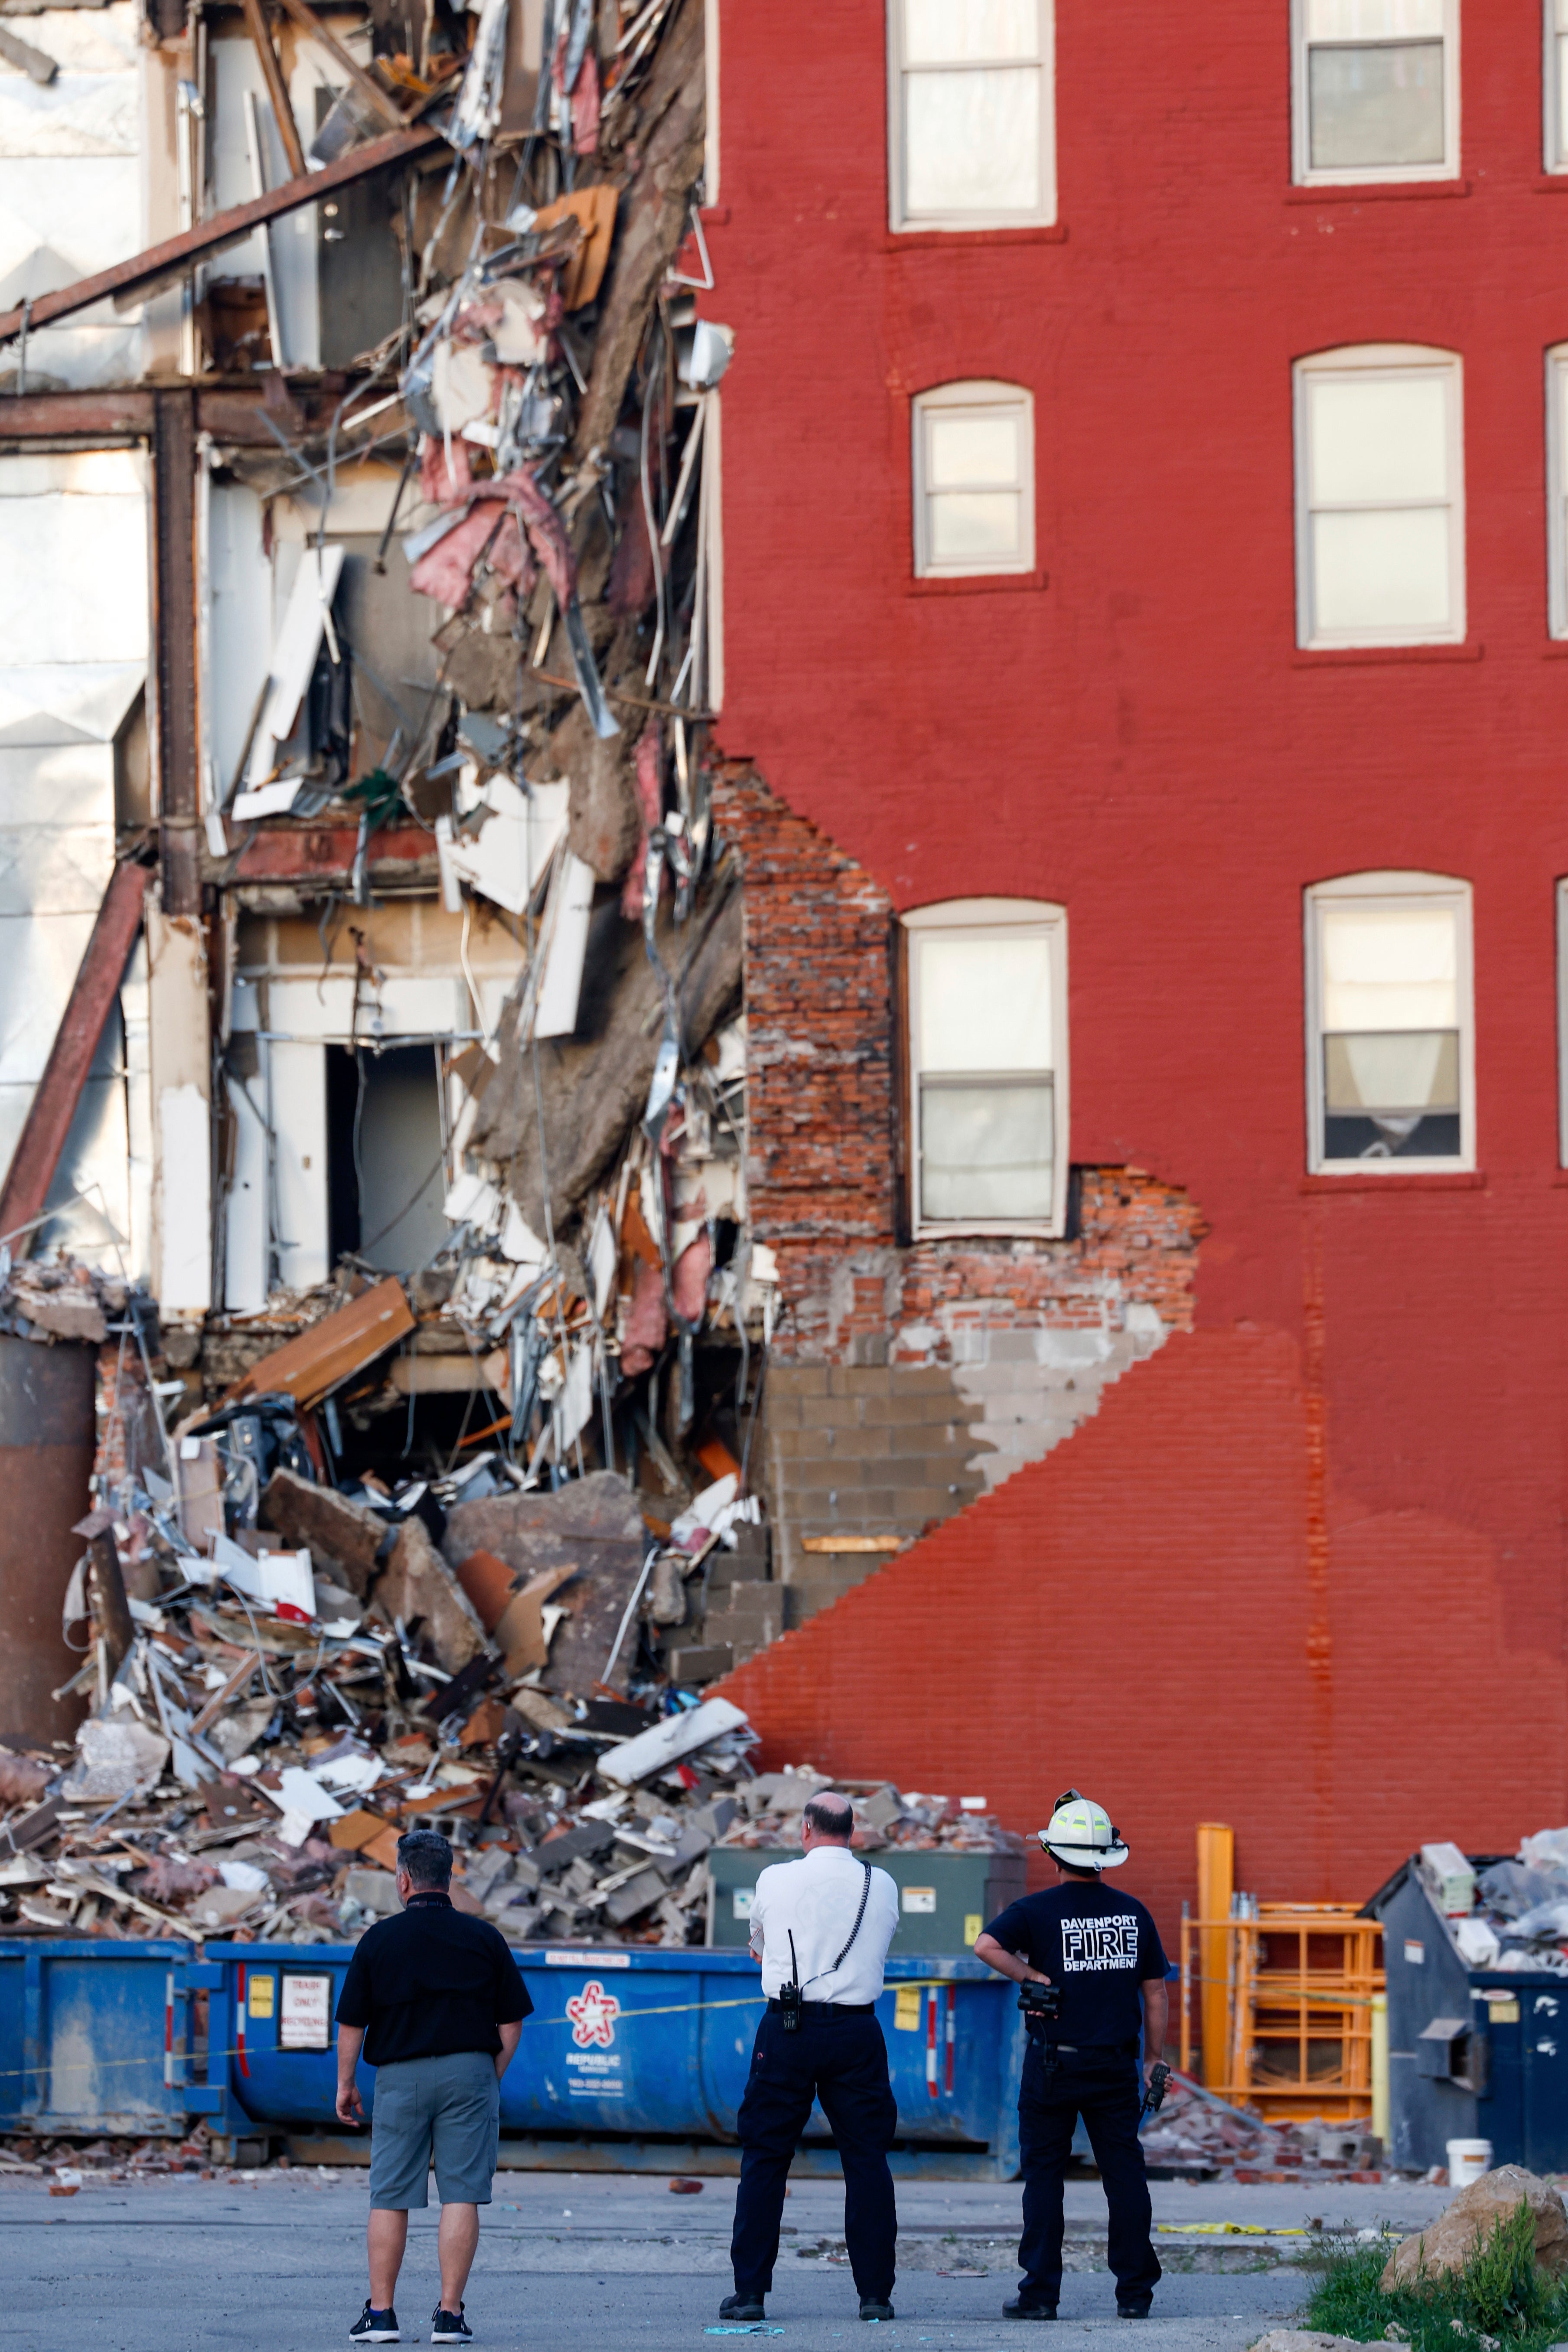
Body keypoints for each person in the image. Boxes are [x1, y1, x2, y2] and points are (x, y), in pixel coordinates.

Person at [974, 1789, 1168, 2323]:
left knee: (1043, 2179)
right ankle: (1134, 2293)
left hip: (1052, 2065)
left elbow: (984, 1946)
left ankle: (1039, 2294)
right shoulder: (1133, 1913)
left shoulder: (1034, 1911)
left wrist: (1030, 1975)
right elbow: (1155, 1992)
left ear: (1053, 1854)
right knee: (1124, 2177)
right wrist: (1151, 2058)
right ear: (1105, 1856)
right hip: (1113, 2066)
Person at [334, 1826, 533, 2346]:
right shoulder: (484, 1937)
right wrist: (489, 2075)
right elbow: (512, 2022)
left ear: (403, 1880)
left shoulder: (378, 1939)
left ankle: (381, 2316)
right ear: (448, 1879)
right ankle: (448, 2316)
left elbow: (352, 2022)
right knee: (461, 2194)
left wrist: (346, 2084)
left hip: (399, 2077)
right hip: (470, 2071)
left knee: (390, 2195)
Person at [724, 1790, 902, 2324]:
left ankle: (750, 2293)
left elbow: (758, 1944)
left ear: (806, 1829)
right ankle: (875, 2295)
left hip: (786, 2028)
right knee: (867, 2160)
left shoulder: (774, 1879)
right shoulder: (882, 1882)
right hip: (856, 2030)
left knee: (765, 2158)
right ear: (852, 1831)